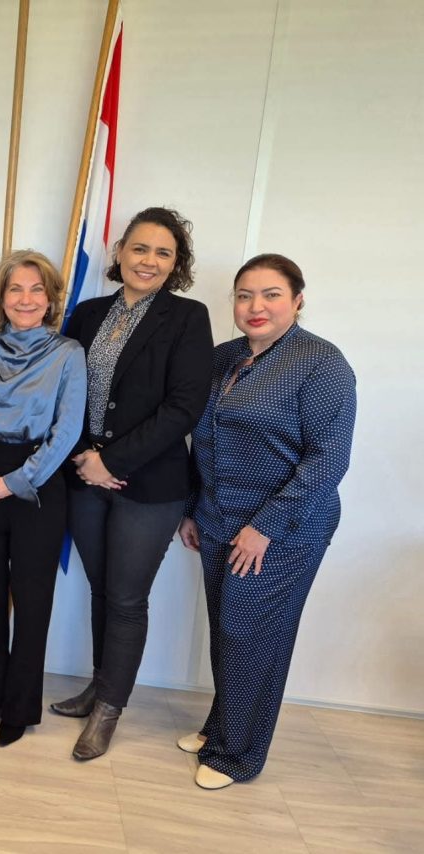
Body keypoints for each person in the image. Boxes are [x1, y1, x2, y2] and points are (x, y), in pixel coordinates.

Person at [177, 253, 355, 789]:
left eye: (271, 294)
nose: (256, 306)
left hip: (285, 528)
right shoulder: (223, 357)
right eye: (244, 295)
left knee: (254, 636)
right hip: (218, 517)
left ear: (297, 301)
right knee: (228, 629)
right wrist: (192, 509)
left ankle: (237, 756)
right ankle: (220, 728)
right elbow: (203, 438)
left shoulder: (321, 363)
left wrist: (266, 527)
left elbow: (328, 459)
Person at [50, 207, 213, 760]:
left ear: (176, 264)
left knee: (125, 597)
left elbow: (184, 407)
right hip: (84, 475)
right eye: (140, 248)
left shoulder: (188, 318)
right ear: (120, 252)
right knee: (102, 589)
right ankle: (99, 686)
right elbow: (65, 391)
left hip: (150, 484)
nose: (149, 261)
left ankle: (109, 710)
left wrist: (112, 461)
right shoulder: (89, 312)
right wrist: (85, 457)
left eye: (163, 253)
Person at [0, 249, 86, 748]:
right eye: (16, 289)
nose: (26, 299)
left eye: (37, 290)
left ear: (50, 299)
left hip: (38, 485)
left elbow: (66, 431)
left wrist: (13, 482)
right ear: (1, 297)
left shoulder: (67, 353)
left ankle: (19, 706)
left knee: (32, 603)